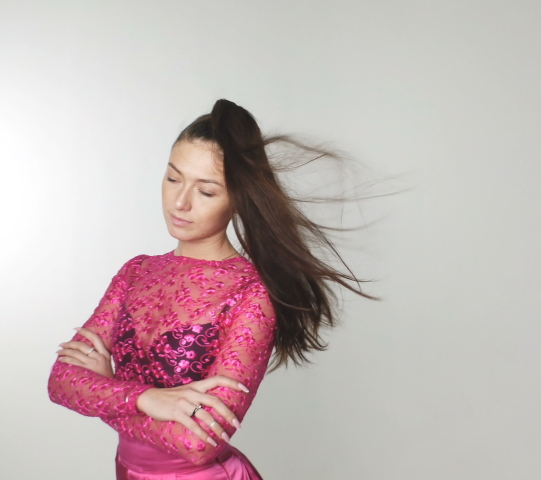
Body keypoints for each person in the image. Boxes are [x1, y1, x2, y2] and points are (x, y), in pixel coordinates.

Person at [47, 99, 377, 479]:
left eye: (206, 191)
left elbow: (199, 443)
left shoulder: (252, 293)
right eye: (173, 179)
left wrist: (106, 390)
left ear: (237, 198)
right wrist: (146, 398)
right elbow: (61, 382)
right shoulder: (135, 272)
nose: (181, 202)